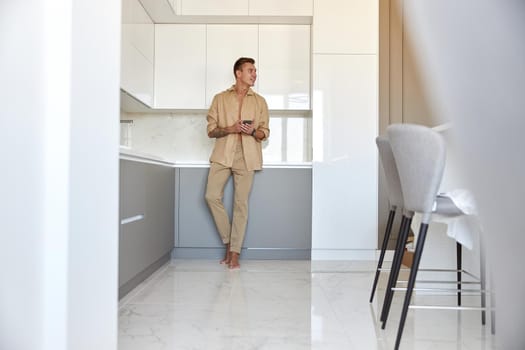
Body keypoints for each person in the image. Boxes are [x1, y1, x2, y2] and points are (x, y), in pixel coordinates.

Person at [205, 57, 270, 270]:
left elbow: (265, 133)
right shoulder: (220, 99)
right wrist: (231, 128)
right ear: (238, 73)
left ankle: (234, 253)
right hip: (223, 154)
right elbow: (211, 131)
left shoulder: (260, 102)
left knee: (240, 205)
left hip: (248, 156)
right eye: (250, 70)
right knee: (211, 196)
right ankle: (228, 241)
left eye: (255, 71)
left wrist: (253, 131)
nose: (254, 74)